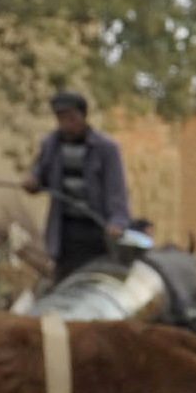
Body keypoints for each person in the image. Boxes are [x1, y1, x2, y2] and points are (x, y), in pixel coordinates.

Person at [22, 92, 131, 278]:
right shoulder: (51, 145)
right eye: (61, 119)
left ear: (83, 116)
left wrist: (117, 222)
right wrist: (33, 181)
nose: (66, 125)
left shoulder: (106, 148)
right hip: (65, 231)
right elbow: (40, 175)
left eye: (71, 118)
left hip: (98, 231)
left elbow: (117, 192)